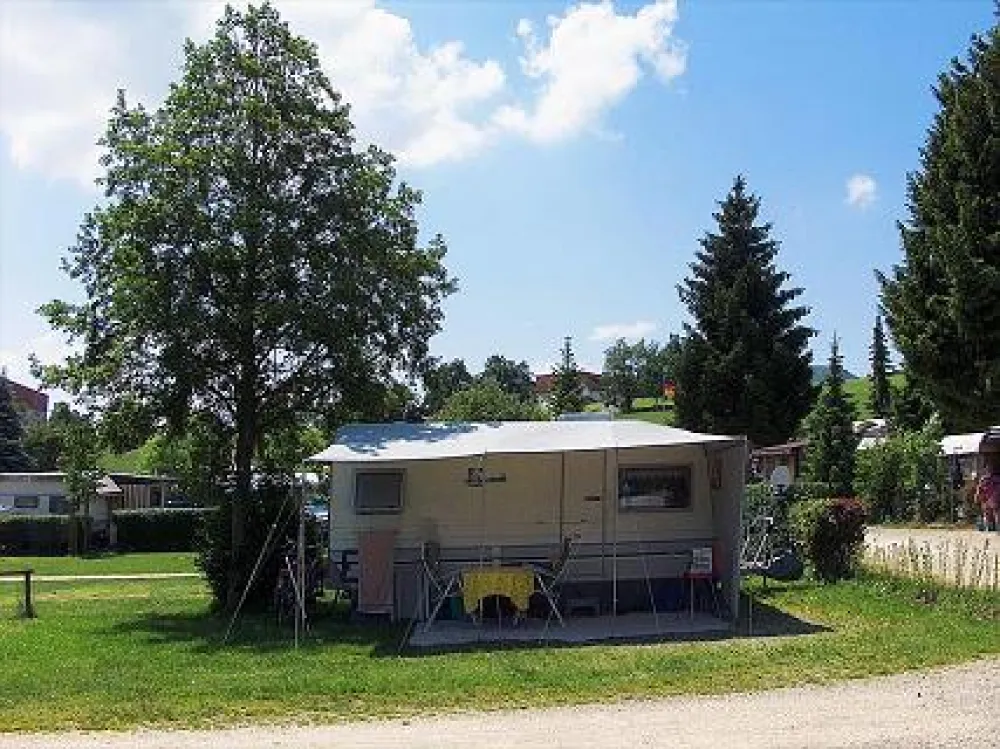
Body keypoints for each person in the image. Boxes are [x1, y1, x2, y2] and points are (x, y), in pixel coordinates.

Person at [974, 455, 1000, 532]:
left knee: (989, 514)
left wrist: (977, 498)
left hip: (989, 499)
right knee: (995, 514)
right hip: (993, 499)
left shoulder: (984, 479)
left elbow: (979, 490)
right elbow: (979, 490)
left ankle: (990, 529)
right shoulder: (996, 479)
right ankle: (995, 528)